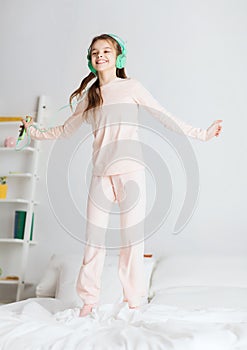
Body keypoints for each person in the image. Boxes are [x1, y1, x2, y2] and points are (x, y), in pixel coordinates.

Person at [22, 33, 223, 317]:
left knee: (132, 241)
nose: (100, 55)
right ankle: (88, 303)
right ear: (90, 61)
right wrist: (33, 131)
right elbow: (64, 131)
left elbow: (164, 115)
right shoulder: (90, 97)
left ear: (119, 57)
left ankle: (134, 303)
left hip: (131, 173)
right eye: (94, 52)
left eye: (106, 50)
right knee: (93, 241)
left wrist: (202, 134)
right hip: (101, 175)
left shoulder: (131, 87)